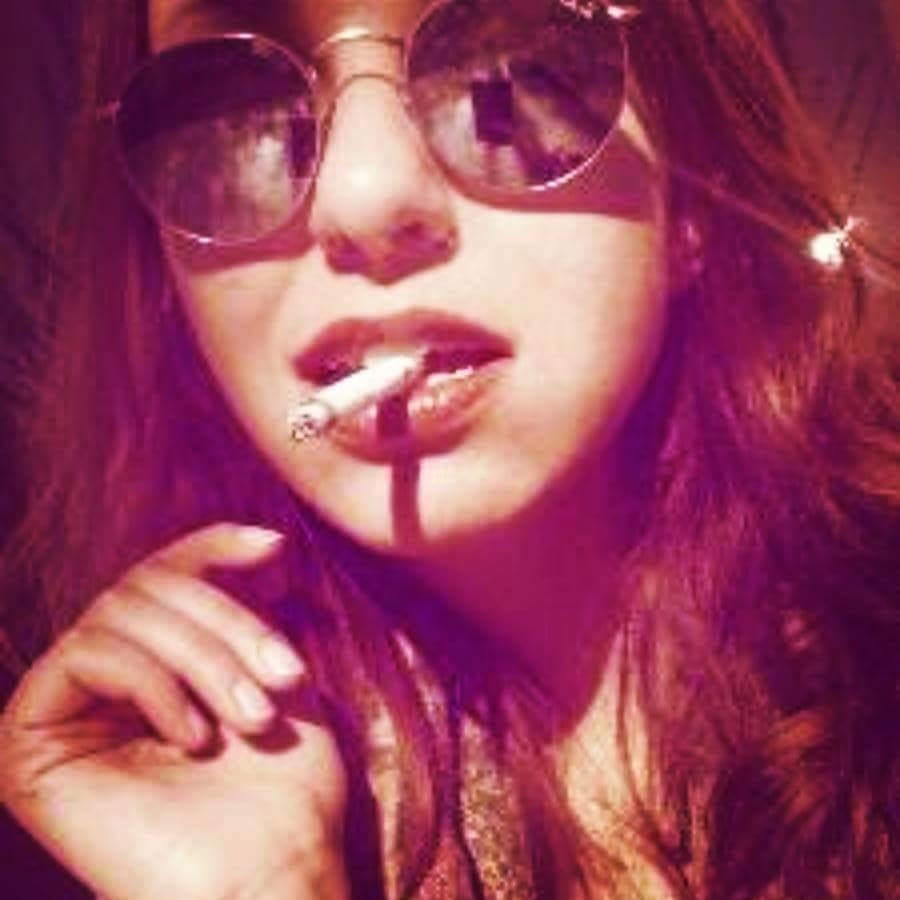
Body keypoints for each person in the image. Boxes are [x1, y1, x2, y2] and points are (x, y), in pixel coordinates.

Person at [0, 0, 897, 897]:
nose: (362, 197)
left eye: (507, 70)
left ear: (691, 197)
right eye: (229, 105)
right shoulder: (179, 793)